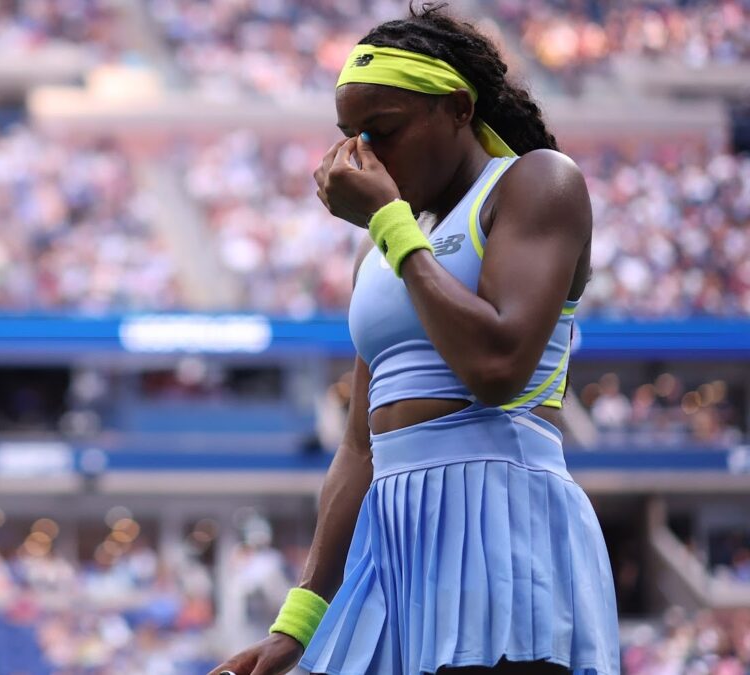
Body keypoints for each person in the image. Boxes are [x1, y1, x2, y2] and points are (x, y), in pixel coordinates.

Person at [211, 6, 618, 675]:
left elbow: (497, 365)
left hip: (501, 519)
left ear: (457, 108)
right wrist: (297, 623)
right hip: (394, 538)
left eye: (384, 131)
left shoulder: (538, 181)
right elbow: (359, 444)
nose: (363, 155)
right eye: (350, 136)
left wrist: (392, 226)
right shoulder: (380, 250)